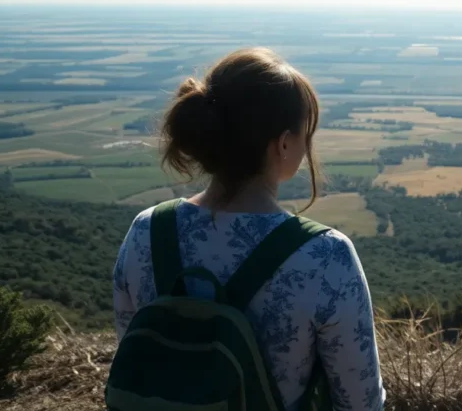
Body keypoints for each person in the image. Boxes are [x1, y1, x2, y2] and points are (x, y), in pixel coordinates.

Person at [112, 47, 385, 411]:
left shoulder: (146, 231)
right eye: (306, 133)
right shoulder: (325, 257)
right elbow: (360, 402)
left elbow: (132, 357)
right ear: (284, 143)